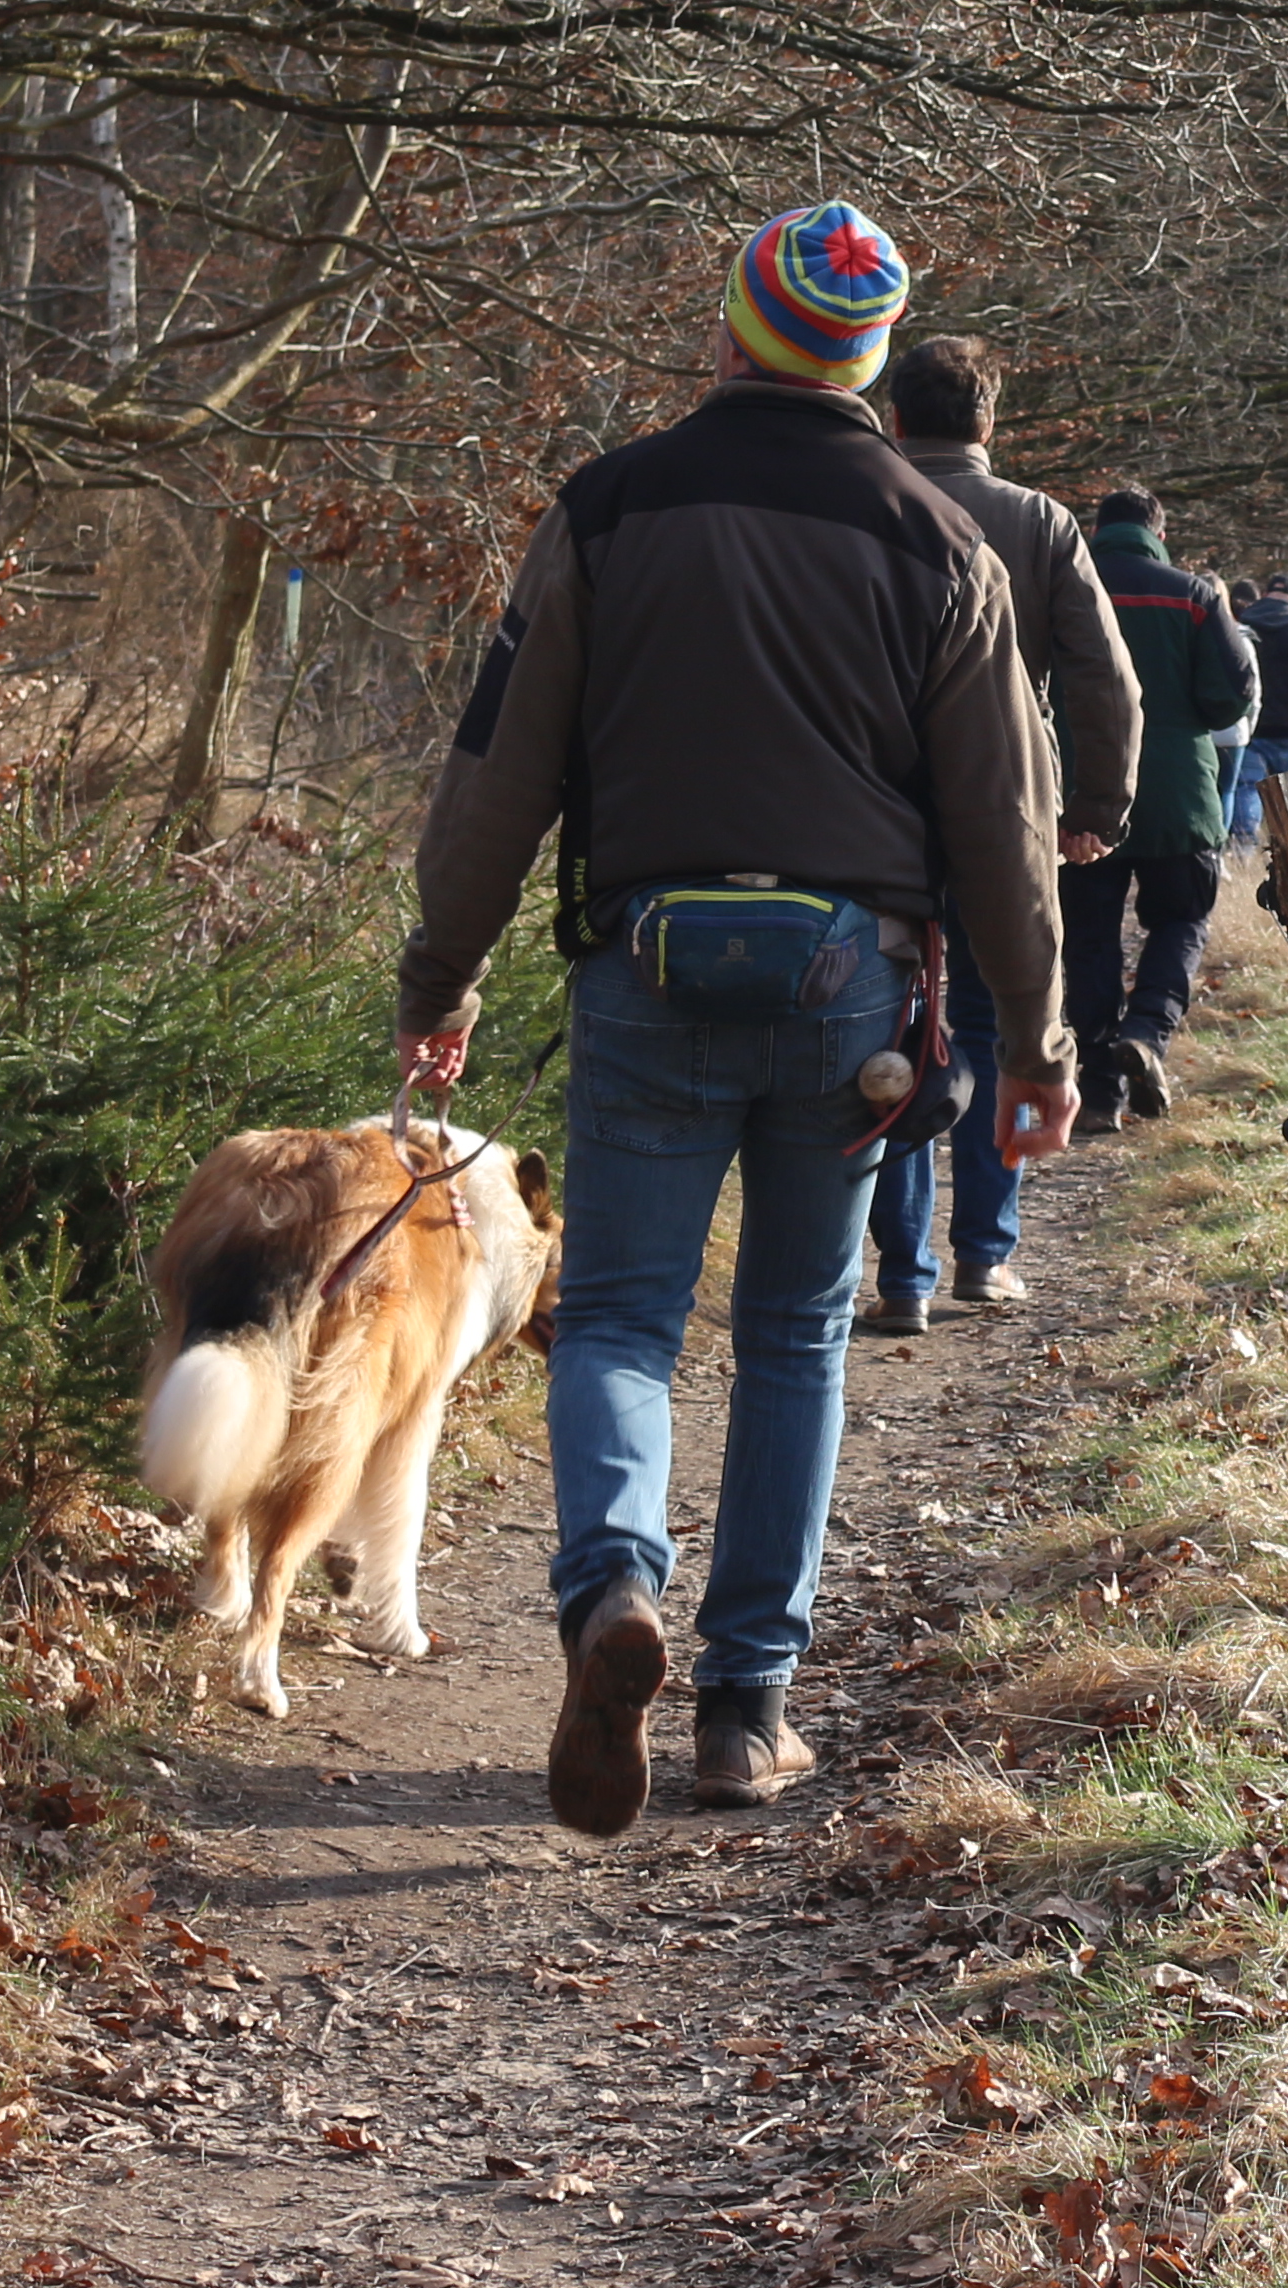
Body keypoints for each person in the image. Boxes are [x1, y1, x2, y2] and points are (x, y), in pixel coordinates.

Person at [397, 203, 1073, 1835]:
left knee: (624, 1318)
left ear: (726, 332)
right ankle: (741, 1708)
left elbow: (500, 776)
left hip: (645, 956)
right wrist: (1037, 1041)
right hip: (852, 988)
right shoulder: (942, 540)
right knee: (793, 1330)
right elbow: (1001, 818)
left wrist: (442, 979)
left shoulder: (609, 508)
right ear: (863, 357)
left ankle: (611, 1583)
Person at [859, 337, 1143, 1334]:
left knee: (888, 1036)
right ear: (989, 425)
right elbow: (1104, 676)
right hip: (1008, 810)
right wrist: (1095, 810)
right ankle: (985, 1252)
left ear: (896, 417)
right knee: (996, 1026)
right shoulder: (1038, 521)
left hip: (877, 814)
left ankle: (902, 1268)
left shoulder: (858, 505)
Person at [1066, 489, 1255, 1129]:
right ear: (1159, 531)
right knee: (1181, 919)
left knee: (1088, 938)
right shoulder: (1194, 595)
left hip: (1081, 790)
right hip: (1178, 790)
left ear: (1098, 529)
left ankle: (1098, 1091)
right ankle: (1147, 1031)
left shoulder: (1061, 585)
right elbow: (1231, 696)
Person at [1233, 573, 1288, 837]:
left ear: (1264, 595)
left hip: (1252, 721)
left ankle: (1243, 848)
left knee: (1247, 787)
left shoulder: (1242, 628)